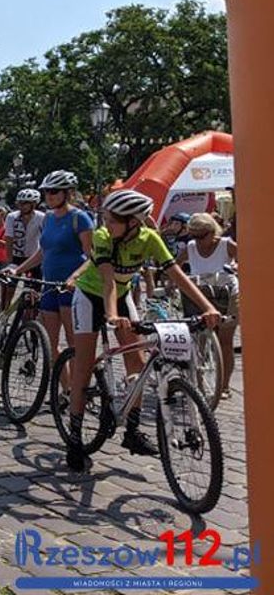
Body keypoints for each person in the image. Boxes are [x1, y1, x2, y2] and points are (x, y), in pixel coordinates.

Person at [63, 189, 221, 471]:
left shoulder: (150, 238)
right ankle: (74, 440)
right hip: (89, 295)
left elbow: (177, 275)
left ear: (134, 222)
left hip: (121, 296)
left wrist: (208, 307)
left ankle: (132, 432)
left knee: (136, 365)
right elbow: (108, 280)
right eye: (106, 219)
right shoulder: (102, 237)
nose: (106, 225)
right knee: (83, 368)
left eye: (113, 220)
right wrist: (112, 316)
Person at [12, 171, 94, 368]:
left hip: (71, 289)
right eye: (46, 192)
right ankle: (63, 391)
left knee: (73, 344)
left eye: (54, 191)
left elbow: (93, 257)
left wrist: (74, 277)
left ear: (68, 193)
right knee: (50, 344)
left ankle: (77, 391)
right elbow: (43, 252)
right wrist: (18, 270)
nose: (49, 196)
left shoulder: (80, 218)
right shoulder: (48, 218)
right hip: (49, 287)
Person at [175, 212, 239, 397]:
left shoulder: (226, 244)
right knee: (200, 341)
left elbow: (246, 260)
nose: (198, 240)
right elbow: (175, 265)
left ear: (212, 231)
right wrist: (173, 282)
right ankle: (200, 385)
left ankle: (224, 386)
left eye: (201, 235)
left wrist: (235, 267)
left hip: (227, 293)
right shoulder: (191, 246)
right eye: (193, 235)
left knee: (226, 342)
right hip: (200, 295)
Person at [2, 189, 45, 308]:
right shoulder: (12, 217)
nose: (22, 206)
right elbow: (9, 238)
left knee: (34, 292)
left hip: (33, 258)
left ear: (34, 204)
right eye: (20, 203)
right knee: (9, 287)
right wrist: (9, 261)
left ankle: (29, 318)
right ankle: (4, 311)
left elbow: (46, 238)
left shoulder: (41, 217)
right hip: (16, 257)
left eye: (25, 203)